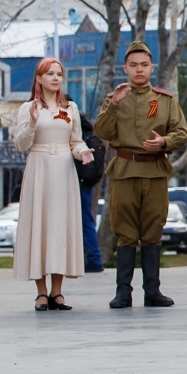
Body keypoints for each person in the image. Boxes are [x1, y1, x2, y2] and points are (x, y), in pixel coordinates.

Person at [94, 41, 187, 309]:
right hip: (125, 169)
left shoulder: (165, 100)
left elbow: (182, 132)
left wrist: (164, 142)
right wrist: (114, 104)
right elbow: (101, 131)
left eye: (144, 65)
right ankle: (123, 293)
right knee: (125, 233)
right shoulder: (115, 98)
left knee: (152, 231)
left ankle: (153, 291)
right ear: (125, 68)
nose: (139, 70)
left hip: (155, 170)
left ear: (152, 68)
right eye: (133, 65)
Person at [12, 58, 94, 311]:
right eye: (50, 73)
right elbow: (20, 144)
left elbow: (76, 141)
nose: (56, 78)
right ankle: (41, 292)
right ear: (39, 78)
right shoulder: (28, 108)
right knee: (40, 225)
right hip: (39, 167)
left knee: (60, 226)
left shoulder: (70, 108)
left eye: (59, 74)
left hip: (64, 171)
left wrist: (83, 153)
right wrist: (34, 124)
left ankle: (57, 292)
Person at [77, 109, 105, 273]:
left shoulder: (73, 128)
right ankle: (94, 258)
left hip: (76, 182)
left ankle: (92, 259)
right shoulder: (89, 130)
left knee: (82, 221)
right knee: (87, 220)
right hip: (86, 183)